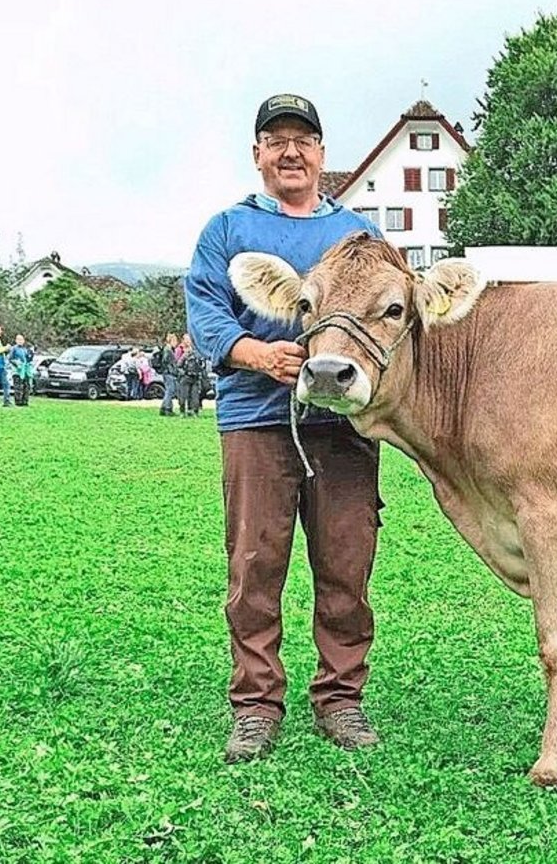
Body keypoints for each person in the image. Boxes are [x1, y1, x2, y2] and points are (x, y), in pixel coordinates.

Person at [185, 93, 386, 763]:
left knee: (347, 565)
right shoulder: (227, 230)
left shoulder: (360, 234)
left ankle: (340, 698)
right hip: (257, 420)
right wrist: (258, 354)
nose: (291, 151)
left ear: (323, 154)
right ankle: (255, 703)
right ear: (258, 155)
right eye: (277, 141)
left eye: (303, 139)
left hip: (344, 428)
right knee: (254, 566)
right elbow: (207, 315)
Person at [176, 336, 207, 417]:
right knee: (183, 396)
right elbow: (179, 365)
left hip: (195, 378)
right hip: (186, 377)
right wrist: (183, 373)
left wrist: (200, 371)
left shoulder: (198, 356)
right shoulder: (185, 355)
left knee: (195, 397)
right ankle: (183, 412)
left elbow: (203, 365)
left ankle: (193, 412)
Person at [155, 333, 182, 416]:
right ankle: (167, 408)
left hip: (167, 372)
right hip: (168, 373)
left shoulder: (167, 349)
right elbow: (168, 362)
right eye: (175, 341)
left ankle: (163, 408)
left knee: (169, 390)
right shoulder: (168, 349)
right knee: (170, 391)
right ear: (172, 341)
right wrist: (175, 371)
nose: (176, 343)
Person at [9, 334, 36, 406]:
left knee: (26, 386)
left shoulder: (25, 349)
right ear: (16, 340)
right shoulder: (13, 348)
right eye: (18, 339)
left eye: (21, 339)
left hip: (25, 371)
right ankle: (18, 401)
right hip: (17, 371)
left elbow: (29, 359)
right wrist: (17, 364)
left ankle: (25, 401)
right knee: (18, 386)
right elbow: (10, 359)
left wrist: (32, 354)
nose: (20, 341)